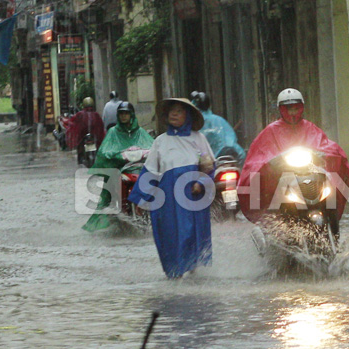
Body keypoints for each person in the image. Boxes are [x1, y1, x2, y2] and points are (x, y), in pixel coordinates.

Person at [238, 88, 349, 234]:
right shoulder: (271, 131)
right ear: (281, 109)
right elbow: (259, 156)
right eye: (288, 108)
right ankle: (276, 226)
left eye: (295, 108)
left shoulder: (310, 128)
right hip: (283, 179)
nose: (292, 112)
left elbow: (325, 145)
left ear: (302, 108)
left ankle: (332, 226)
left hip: (310, 175)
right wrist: (271, 162)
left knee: (329, 191)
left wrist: (324, 154)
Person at [128, 98, 215, 279]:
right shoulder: (161, 141)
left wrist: (200, 181)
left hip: (192, 196)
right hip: (168, 198)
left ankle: (195, 273)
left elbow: (208, 164)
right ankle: (175, 274)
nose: (174, 114)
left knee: (194, 233)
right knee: (170, 233)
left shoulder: (198, 139)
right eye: (171, 111)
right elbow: (151, 171)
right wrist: (141, 200)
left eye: (179, 111)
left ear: (188, 115)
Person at [82, 101, 154, 232]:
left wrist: (148, 152)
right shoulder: (113, 132)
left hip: (137, 169)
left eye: (126, 113)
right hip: (119, 170)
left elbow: (152, 145)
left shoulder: (140, 132)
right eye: (121, 114)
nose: (124, 116)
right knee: (107, 193)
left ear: (131, 115)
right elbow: (104, 151)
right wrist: (117, 155)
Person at [190, 91, 246, 165]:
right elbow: (232, 144)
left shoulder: (192, 124)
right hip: (225, 161)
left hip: (207, 164)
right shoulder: (219, 120)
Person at [65, 97, 105, 164]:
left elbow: (73, 123)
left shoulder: (80, 114)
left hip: (83, 137)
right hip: (92, 137)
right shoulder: (96, 115)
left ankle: (81, 159)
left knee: (79, 145)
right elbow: (100, 127)